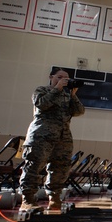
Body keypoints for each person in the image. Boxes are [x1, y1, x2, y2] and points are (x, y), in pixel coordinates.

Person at [19, 67, 85, 211]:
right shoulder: (41, 90)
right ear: (51, 77)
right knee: (34, 167)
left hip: (63, 138)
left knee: (60, 169)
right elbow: (41, 104)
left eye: (66, 79)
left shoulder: (67, 96)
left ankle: (54, 199)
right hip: (41, 136)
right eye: (60, 77)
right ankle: (28, 199)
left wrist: (73, 95)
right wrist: (57, 89)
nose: (63, 80)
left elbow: (79, 111)